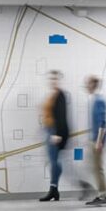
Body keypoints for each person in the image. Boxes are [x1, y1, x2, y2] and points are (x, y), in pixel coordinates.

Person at [39, 71, 69, 202]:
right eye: (51, 78)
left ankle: (53, 190)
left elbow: (61, 115)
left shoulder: (60, 95)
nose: (53, 81)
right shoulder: (52, 95)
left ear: (59, 80)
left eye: (55, 79)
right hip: (49, 130)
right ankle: (54, 190)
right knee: (54, 162)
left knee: (54, 162)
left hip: (54, 131)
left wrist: (57, 134)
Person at [83, 76, 106, 206]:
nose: (86, 86)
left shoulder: (99, 101)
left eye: (88, 83)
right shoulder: (94, 100)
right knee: (96, 168)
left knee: (98, 168)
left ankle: (103, 195)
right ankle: (101, 194)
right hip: (95, 139)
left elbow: (102, 123)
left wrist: (98, 141)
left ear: (94, 85)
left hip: (98, 140)